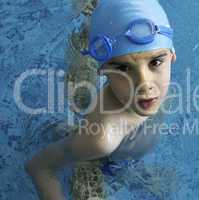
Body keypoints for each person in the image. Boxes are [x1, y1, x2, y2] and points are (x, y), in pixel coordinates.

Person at [25, 0, 177, 199]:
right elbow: (39, 168)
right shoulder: (101, 138)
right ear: (103, 70)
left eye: (155, 62)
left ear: (172, 55)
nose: (144, 84)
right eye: (123, 68)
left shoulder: (158, 89)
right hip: (92, 158)